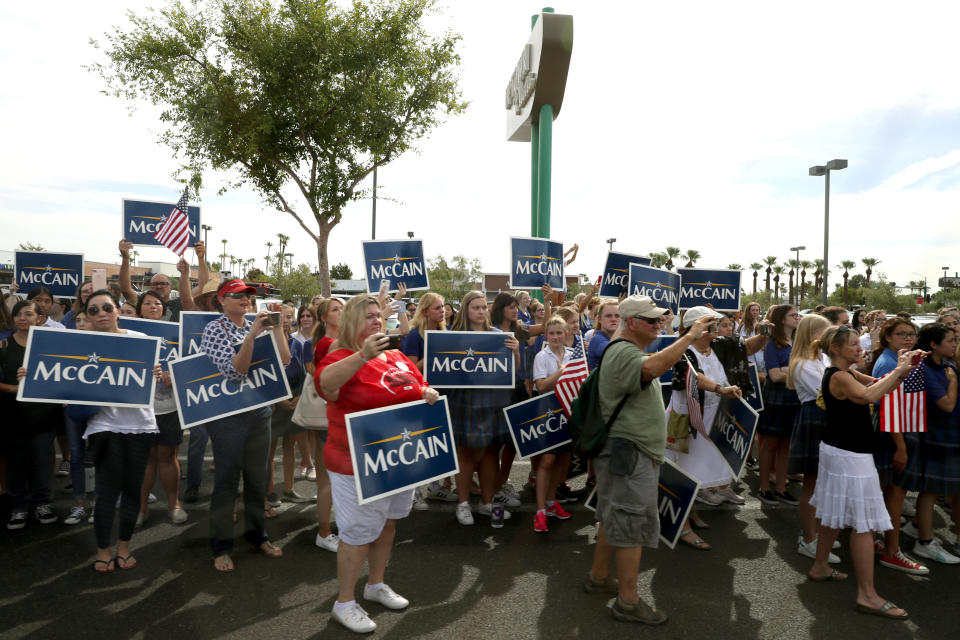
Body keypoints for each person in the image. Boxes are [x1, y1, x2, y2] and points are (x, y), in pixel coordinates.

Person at [585, 295, 714, 625]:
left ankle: (599, 577)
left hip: (625, 451)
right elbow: (653, 368)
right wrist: (688, 337)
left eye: (660, 320)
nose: (659, 325)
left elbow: (652, 364)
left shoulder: (625, 349)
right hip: (629, 452)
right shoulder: (625, 352)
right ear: (632, 323)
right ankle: (627, 602)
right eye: (652, 320)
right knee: (632, 523)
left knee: (612, 515)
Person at [316, 294, 440, 633]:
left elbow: (420, 384)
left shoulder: (398, 355)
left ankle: (375, 584)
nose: (376, 320)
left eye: (378, 315)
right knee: (356, 535)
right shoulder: (340, 356)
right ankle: (344, 602)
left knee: (387, 524)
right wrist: (362, 356)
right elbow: (326, 387)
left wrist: (427, 393)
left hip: (398, 459)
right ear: (351, 322)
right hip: (354, 463)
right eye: (368, 316)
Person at [806, 325, 925, 621]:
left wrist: (903, 367)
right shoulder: (841, 376)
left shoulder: (842, 372)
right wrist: (899, 370)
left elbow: (879, 383)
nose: (861, 350)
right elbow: (870, 395)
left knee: (833, 511)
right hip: (850, 456)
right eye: (854, 346)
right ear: (836, 349)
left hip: (839, 451)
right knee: (863, 526)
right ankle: (867, 595)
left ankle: (820, 566)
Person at [199, 279, 290, 572]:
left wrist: (276, 328)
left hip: (258, 413)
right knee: (226, 483)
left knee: (257, 480)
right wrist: (252, 335)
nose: (245, 299)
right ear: (221, 300)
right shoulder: (214, 329)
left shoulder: (255, 323)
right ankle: (221, 546)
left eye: (248, 295)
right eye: (237, 295)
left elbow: (285, 361)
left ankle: (257, 536)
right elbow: (236, 372)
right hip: (228, 418)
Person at [667, 307, 768, 547]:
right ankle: (682, 526)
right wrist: (720, 389)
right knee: (682, 470)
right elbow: (694, 378)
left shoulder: (720, 345)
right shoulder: (683, 349)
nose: (717, 328)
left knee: (698, 470)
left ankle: (689, 513)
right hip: (686, 419)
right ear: (697, 327)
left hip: (714, 417)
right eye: (711, 324)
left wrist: (764, 331)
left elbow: (748, 347)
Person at [80, 290, 163, 572]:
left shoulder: (140, 341)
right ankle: (103, 549)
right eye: (93, 310)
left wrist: (157, 375)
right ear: (87, 317)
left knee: (132, 490)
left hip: (140, 425)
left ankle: (124, 546)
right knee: (107, 490)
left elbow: (152, 381)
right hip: (104, 427)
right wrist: (31, 378)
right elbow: (59, 379)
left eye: (106, 307)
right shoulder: (78, 345)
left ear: (118, 310)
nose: (101, 313)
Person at [446, 291, 521, 525]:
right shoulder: (452, 336)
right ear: (466, 310)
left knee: (490, 452)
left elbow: (513, 370)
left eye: (482, 307)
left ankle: (487, 503)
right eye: (474, 307)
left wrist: (516, 351)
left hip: (493, 401)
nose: (480, 311)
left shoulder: (499, 335)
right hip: (465, 401)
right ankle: (463, 504)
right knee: (466, 453)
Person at [870, 317, 928, 575]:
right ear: (888, 337)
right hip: (892, 437)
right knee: (893, 493)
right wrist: (901, 447)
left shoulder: (902, 359)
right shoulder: (889, 362)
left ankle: (874, 539)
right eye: (901, 334)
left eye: (911, 334)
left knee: (886, 491)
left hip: (899, 434)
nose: (908, 338)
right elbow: (889, 409)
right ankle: (892, 552)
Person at [898, 323, 960, 563]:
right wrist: (953, 381)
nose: (954, 344)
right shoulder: (924, 368)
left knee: (943, 490)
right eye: (950, 340)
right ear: (933, 345)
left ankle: (918, 528)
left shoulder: (946, 364)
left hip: (949, 434)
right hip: (936, 435)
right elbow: (946, 404)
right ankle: (924, 542)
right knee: (930, 491)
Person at [1, 300, 63, 530]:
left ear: (39, 319)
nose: (22, 318)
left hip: (44, 416)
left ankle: (41, 503)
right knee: (16, 463)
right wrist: (15, 389)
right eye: (18, 314)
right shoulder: (3, 346)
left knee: (42, 462)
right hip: (13, 415)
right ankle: (18, 507)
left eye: (28, 314)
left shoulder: (50, 346)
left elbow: (62, 375)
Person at [785, 314, 838, 562]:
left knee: (822, 482)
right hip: (814, 419)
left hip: (826, 420)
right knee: (812, 483)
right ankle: (808, 538)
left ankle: (817, 532)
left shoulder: (823, 357)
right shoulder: (803, 363)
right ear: (813, 334)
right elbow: (829, 392)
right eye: (825, 333)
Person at [133, 291, 188, 528]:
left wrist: (174, 377)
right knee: (146, 459)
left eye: (158, 303)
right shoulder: (129, 334)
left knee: (167, 456)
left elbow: (188, 365)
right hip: (139, 409)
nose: (153, 306)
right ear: (139, 309)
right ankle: (141, 508)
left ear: (164, 309)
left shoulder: (176, 333)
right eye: (147, 303)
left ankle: (174, 504)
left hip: (169, 407)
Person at [304, 296, 343, 552]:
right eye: (336, 310)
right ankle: (324, 531)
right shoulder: (328, 343)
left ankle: (334, 527)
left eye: (345, 309)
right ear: (323, 317)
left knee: (335, 479)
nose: (342, 313)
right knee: (328, 480)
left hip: (339, 418)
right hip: (332, 419)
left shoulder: (337, 340)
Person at [530, 316, 576, 531]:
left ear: (566, 334)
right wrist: (560, 372)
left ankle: (551, 502)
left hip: (568, 413)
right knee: (547, 462)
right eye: (552, 333)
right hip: (548, 414)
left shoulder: (573, 355)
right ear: (546, 335)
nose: (556, 337)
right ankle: (540, 511)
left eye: (560, 333)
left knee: (562, 462)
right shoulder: (542, 356)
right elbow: (540, 386)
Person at [265, 304, 312, 510]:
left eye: (289, 317)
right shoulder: (265, 343)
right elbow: (263, 377)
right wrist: (278, 400)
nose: (285, 320)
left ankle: (289, 489)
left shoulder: (297, 344)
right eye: (281, 316)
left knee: (290, 447)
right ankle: (270, 491)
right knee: (269, 448)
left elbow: (304, 374)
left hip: (293, 399)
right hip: (273, 402)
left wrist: (300, 395)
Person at [757, 305, 802, 505]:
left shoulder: (800, 342)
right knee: (771, 443)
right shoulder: (772, 344)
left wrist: (788, 371)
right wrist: (799, 374)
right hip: (777, 397)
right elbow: (774, 376)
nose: (797, 317)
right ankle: (764, 487)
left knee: (786, 445)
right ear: (782, 320)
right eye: (793, 315)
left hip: (794, 397)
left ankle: (781, 487)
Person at [401, 292, 446, 371]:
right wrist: (431, 355)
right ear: (425, 312)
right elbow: (411, 370)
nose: (442, 310)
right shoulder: (414, 335)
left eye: (442, 307)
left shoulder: (444, 332)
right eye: (437, 308)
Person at [586, 299, 620, 371]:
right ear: (599, 319)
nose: (613, 319)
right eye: (608, 316)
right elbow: (614, 353)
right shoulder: (597, 339)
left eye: (617, 316)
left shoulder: (619, 339)